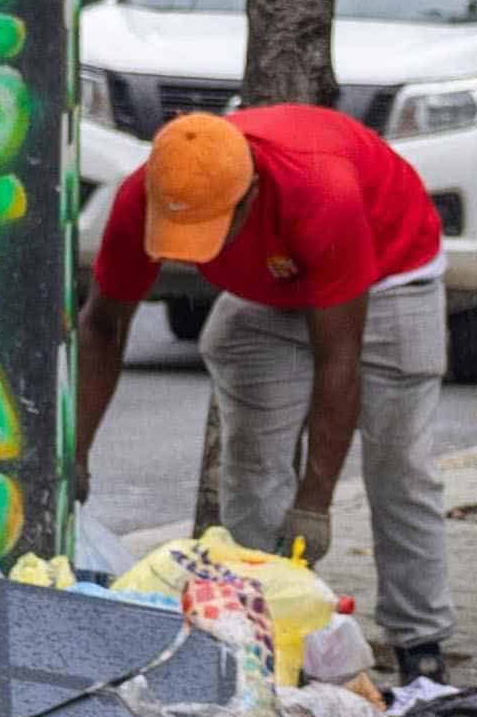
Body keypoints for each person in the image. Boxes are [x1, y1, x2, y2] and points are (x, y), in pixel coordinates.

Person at [74, 106, 454, 678]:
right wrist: (75, 451)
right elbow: (103, 326)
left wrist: (314, 504)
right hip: (266, 290)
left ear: (249, 197)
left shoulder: (320, 191)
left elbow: (339, 361)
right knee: (252, 464)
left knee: (398, 467)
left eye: (203, 230)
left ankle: (420, 647)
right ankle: (257, 642)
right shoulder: (144, 195)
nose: (184, 250)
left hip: (389, 276)